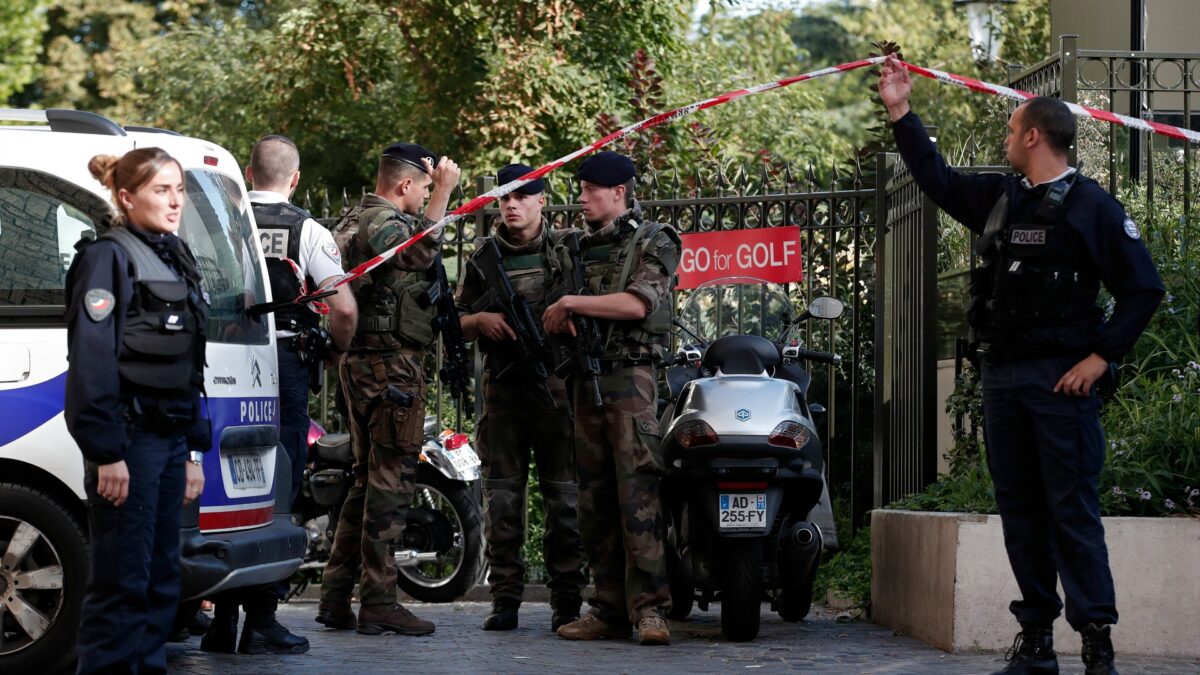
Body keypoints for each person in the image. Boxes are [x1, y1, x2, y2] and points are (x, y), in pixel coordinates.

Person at [878, 56, 1164, 675]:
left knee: (1072, 511)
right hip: (1004, 380)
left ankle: (1095, 641)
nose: (1007, 140)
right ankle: (1035, 641)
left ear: (1034, 135)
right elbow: (935, 177)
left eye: (1011, 131)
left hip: (1061, 382)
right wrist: (901, 111)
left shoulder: (1094, 207)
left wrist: (1100, 357)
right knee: (1020, 512)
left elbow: (1144, 289)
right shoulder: (999, 198)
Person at [199, 135, 357, 654]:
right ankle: (262, 620)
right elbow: (345, 307)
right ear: (295, 179)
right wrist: (335, 352)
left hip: (225, 363)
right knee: (278, 487)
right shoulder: (306, 229)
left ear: (247, 172)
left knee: (232, 488)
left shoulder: (225, 221)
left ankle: (222, 620)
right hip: (284, 365)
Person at [66, 148, 211, 673]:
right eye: (161, 191)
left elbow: (192, 360)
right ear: (127, 198)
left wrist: (194, 448)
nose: (175, 202)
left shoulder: (177, 254)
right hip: (129, 442)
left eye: (179, 189)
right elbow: (91, 361)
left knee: (159, 582)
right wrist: (106, 452)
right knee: (122, 583)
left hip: (171, 443)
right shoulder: (108, 257)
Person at [315, 142, 460, 636]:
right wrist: (444, 193)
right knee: (390, 485)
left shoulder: (352, 219)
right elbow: (419, 252)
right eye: (422, 187)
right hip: (390, 371)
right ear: (405, 184)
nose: (424, 196)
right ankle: (379, 600)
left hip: (361, 369)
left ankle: (336, 597)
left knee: (363, 483)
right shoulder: (383, 223)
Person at [542, 151, 679, 646]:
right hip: (583, 380)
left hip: (630, 383)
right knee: (594, 500)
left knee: (637, 495)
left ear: (618, 192)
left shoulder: (655, 240)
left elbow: (638, 303)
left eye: (590, 190)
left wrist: (574, 303)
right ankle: (607, 607)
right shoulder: (573, 249)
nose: (581, 198)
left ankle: (651, 612)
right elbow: (551, 314)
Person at [455, 163, 587, 632]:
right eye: (504, 197)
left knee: (564, 498)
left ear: (541, 201)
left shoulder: (568, 251)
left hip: (558, 389)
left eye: (521, 196)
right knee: (504, 497)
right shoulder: (484, 258)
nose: (511, 205)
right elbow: (454, 320)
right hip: (505, 392)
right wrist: (480, 323)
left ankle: (567, 599)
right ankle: (505, 597)